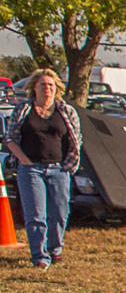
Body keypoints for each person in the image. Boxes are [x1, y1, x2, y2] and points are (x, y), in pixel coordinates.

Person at [4, 68, 80, 269]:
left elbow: (76, 139)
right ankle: (39, 257)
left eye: (51, 85)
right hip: (31, 170)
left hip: (59, 169)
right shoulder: (23, 109)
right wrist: (24, 160)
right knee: (35, 215)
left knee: (60, 212)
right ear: (34, 88)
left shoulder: (66, 111)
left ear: (56, 88)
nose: (47, 88)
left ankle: (55, 250)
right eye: (43, 85)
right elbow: (10, 138)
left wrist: (67, 165)